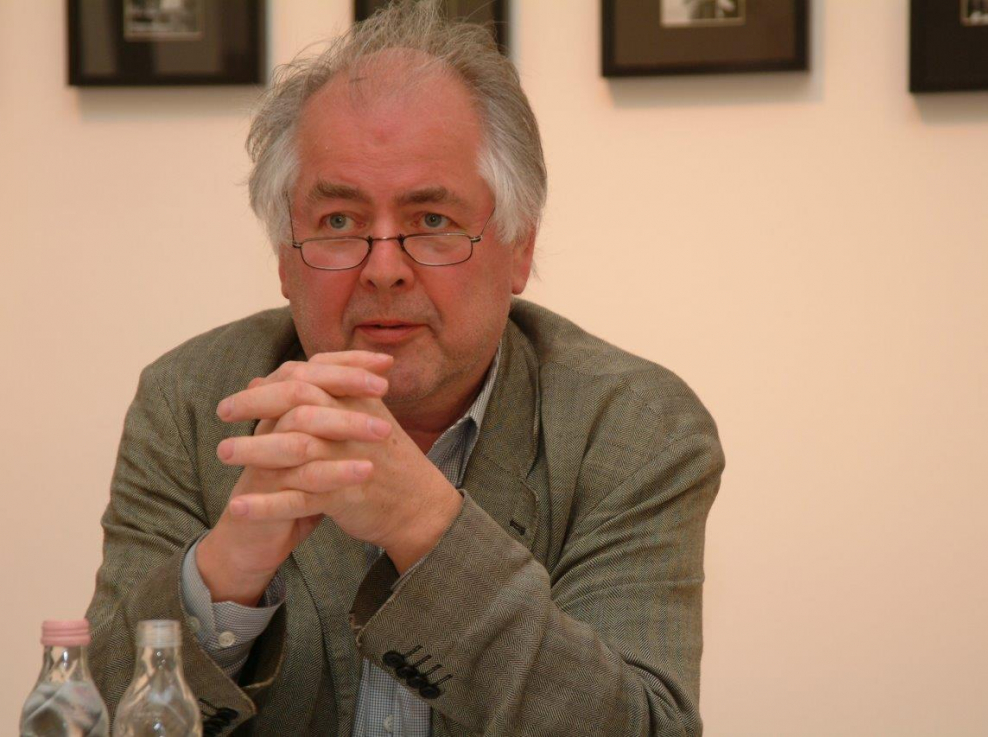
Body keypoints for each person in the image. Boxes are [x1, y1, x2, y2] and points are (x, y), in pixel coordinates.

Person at [85, 2, 724, 735]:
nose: (383, 268)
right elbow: (88, 713)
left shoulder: (633, 427)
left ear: (519, 248)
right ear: (284, 258)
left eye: (432, 221)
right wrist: (223, 577)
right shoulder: (195, 403)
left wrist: (423, 525)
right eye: (338, 222)